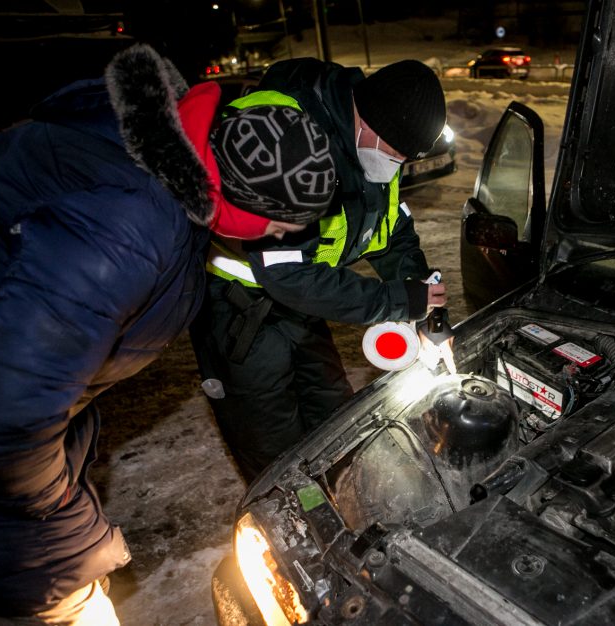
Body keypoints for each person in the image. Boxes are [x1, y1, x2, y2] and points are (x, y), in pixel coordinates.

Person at [0, 44, 335, 625]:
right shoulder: (130, 226)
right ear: (243, 206)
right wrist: (49, 504)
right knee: (57, 584)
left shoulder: (169, 160)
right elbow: (5, 415)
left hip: (13, 392)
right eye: (280, 227)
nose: (279, 241)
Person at [190, 58, 450, 481]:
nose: (397, 166)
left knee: (333, 416)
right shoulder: (289, 137)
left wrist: (422, 300)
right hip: (240, 312)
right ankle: (291, 533)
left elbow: (391, 233)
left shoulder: (375, 147)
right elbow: (285, 273)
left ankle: (343, 500)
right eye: (397, 154)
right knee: (272, 442)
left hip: (307, 302)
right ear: (367, 122)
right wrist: (393, 301)